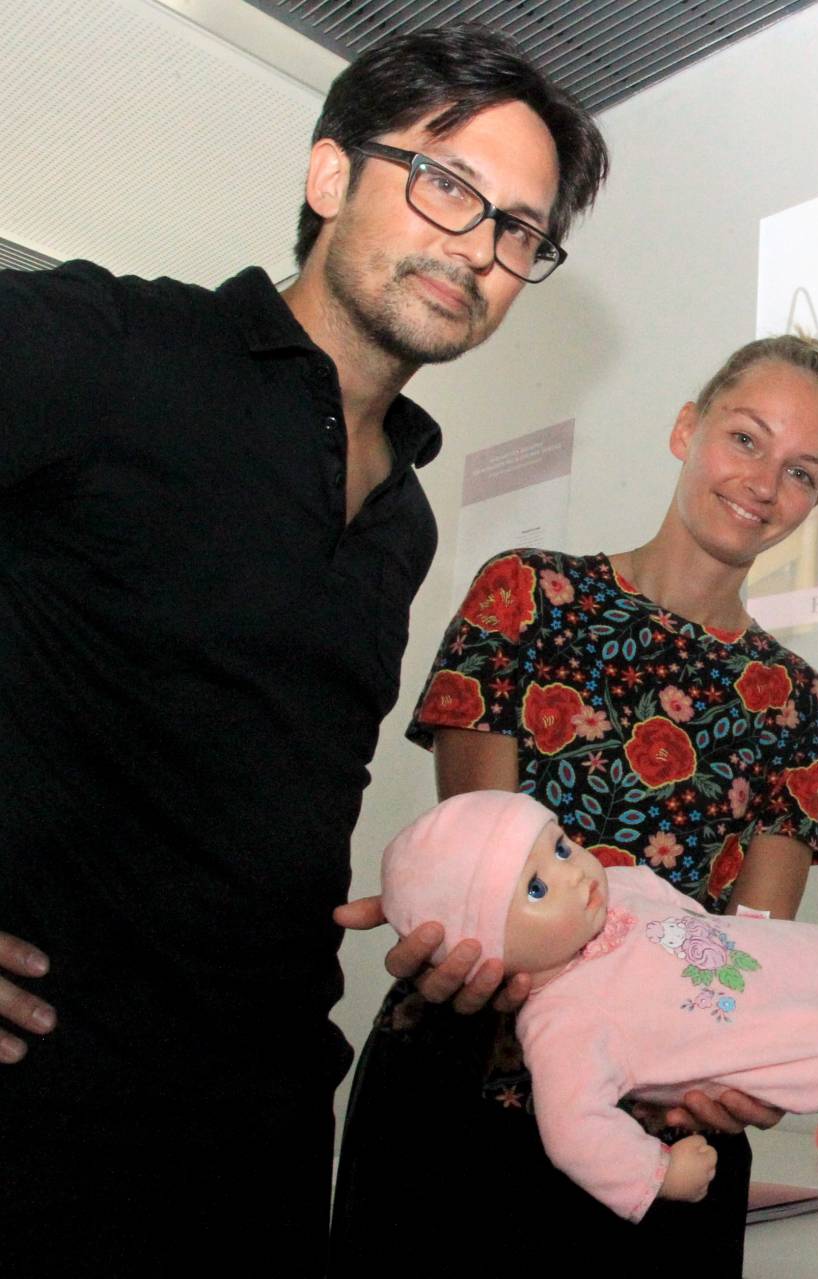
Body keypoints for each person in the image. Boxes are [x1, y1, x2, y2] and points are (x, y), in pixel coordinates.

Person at [0, 24, 607, 1269]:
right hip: (32, 1114)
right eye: (447, 183)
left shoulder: (407, 514)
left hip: (264, 1129)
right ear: (330, 175)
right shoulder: (110, 350)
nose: (477, 248)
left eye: (519, 231)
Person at [330, 333, 818, 1270]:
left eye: (803, 471)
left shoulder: (801, 702)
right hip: (466, 1097)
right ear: (686, 428)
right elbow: (485, 890)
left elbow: (755, 951)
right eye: (745, 438)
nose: (765, 483)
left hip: (664, 1137)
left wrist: (734, 1063)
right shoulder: (527, 594)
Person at [376, 790, 818, 1219]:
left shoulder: (618, 885)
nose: (576, 872)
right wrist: (656, 1171)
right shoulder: (562, 1021)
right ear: (484, 945)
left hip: (769, 962)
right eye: (539, 886)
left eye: (563, 846)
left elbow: (678, 906)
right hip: (757, 1040)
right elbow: (576, 1130)